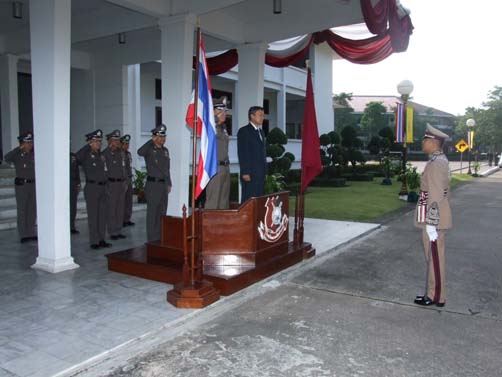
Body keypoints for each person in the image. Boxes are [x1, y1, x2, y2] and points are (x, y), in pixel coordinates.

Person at [414, 124, 452, 307]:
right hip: (431, 216)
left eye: (425, 140)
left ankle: (436, 296)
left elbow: (435, 195)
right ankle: (432, 293)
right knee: (432, 258)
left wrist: (431, 222)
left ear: (433, 142)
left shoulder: (437, 163)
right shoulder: (438, 160)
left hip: (433, 219)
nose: (422, 143)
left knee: (435, 259)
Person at [76, 129, 112, 250]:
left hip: (103, 187)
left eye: (99, 141)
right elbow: (77, 157)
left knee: (102, 215)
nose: (99, 144)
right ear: (90, 142)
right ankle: (94, 241)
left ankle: (102, 239)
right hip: (92, 187)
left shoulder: (101, 155)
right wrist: (88, 146)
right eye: (96, 141)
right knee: (93, 215)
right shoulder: (86, 155)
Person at [137, 124, 172, 242]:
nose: (163, 139)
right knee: (152, 213)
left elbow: (167, 169)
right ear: (155, 137)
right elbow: (139, 152)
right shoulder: (149, 150)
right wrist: (150, 141)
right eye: (160, 136)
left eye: (164, 136)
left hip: (163, 185)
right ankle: (152, 239)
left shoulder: (165, 151)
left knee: (162, 212)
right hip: (153, 185)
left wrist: (169, 182)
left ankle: (160, 237)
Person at [5, 132, 37, 243]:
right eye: (28, 143)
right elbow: (7, 158)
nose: (30, 145)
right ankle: (23, 234)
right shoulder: (17, 155)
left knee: (32, 210)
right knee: (22, 209)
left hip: (33, 185)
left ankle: (31, 232)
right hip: (22, 186)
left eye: (31, 142)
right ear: (22, 144)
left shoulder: (34, 154)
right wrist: (18, 149)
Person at [237, 106, 267, 203]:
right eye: (260, 115)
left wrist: (265, 171)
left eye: (263, 115)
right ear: (252, 116)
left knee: (258, 199)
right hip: (250, 173)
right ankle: (245, 218)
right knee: (249, 199)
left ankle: (256, 218)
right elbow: (242, 152)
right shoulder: (244, 131)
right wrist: (245, 172)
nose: (263, 117)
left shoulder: (261, 132)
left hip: (260, 173)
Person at [205, 97, 230, 209]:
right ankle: (210, 227)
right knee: (213, 202)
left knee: (224, 202)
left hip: (225, 167)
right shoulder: (211, 127)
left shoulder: (223, 128)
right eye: (221, 110)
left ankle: (221, 226)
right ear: (214, 111)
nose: (224, 113)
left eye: (225, 111)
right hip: (215, 168)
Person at [102, 130, 127, 240]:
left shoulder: (120, 153)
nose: (116, 142)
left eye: (117, 140)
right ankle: (112, 231)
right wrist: (105, 185)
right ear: (109, 141)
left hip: (121, 183)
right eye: (114, 140)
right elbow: (103, 171)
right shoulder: (104, 154)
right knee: (111, 209)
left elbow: (124, 169)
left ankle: (118, 229)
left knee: (120, 208)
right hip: (111, 184)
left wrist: (126, 182)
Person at [121, 134, 135, 226]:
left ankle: (127, 218)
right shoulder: (120, 154)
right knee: (122, 201)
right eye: (125, 144)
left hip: (129, 179)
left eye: (128, 144)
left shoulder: (128, 154)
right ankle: (121, 220)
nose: (127, 146)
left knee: (129, 201)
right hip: (123, 180)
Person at [70, 151, 81, 234]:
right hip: (63, 185)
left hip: (73, 184)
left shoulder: (73, 156)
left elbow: (76, 171)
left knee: (73, 207)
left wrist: (78, 183)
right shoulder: (57, 155)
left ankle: (72, 226)